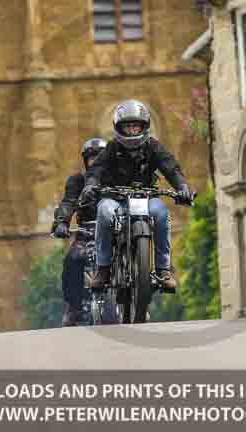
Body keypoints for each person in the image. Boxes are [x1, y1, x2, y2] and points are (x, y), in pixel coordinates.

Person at [80, 100, 194, 291]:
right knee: (104, 212)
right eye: (128, 126)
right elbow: (96, 169)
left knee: (161, 213)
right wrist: (91, 185)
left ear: (144, 126)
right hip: (115, 198)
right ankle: (103, 269)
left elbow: (170, 166)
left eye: (136, 125)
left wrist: (182, 186)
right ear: (119, 128)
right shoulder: (112, 148)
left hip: (146, 198)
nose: (132, 130)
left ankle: (163, 270)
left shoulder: (153, 147)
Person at [52, 137, 108, 327]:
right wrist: (62, 222)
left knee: (135, 252)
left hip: (116, 234)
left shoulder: (118, 179)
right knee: (72, 261)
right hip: (87, 233)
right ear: (85, 161)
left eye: (99, 157)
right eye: (91, 158)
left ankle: (139, 299)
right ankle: (73, 307)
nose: (95, 162)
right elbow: (68, 203)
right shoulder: (77, 181)